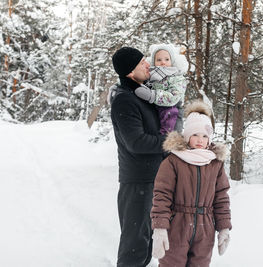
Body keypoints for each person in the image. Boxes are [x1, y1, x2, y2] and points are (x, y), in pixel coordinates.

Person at [150, 101, 232, 266]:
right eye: (195, 135)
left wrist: (223, 227)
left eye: (205, 136)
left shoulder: (215, 163)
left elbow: (221, 197)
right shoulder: (173, 161)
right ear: (187, 136)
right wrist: (160, 228)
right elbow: (162, 195)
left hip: (205, 228)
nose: (200, 140)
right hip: (177, 226)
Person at [110, 47, 165, 267]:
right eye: (142, 62)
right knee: (134, 246)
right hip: (137, 182)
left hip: (152, 179)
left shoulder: (141, 96)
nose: (148, 64)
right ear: (130, 72)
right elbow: (137, 142)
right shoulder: (125, 100)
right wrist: (171, 142)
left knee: (146, 245)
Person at [134, 43, 187, 135]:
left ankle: (165, 141)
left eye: (167, 59)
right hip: (155, 108)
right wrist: (119, 86)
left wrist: (153, 95)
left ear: (172, 61)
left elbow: (174, 97)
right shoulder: (150, 74)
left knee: (168, 128)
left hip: (171, 109)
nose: (163, 62)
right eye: (159, 59)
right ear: (153, 62)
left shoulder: (176, 77)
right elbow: (135, 78)